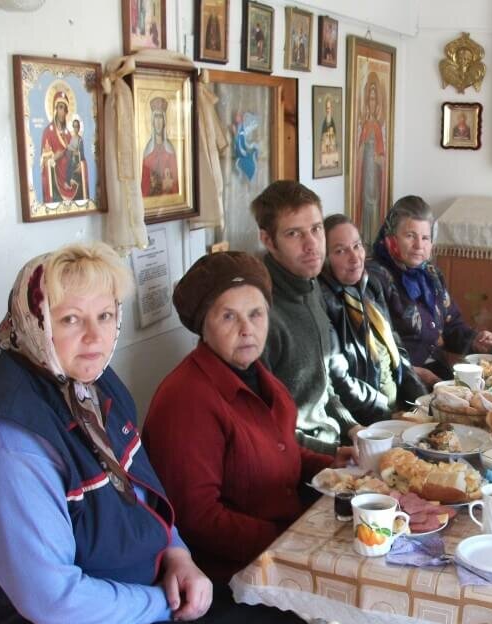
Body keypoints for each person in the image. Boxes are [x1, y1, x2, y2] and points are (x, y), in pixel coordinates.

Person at [0, 243, 357, 624]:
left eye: (106, 316)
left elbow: (142, 491)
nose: (94, 336)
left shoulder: (88, 386)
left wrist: (178, 555)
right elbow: (55, 603)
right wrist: (165, 603)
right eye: (71, 319)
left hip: (127, 605)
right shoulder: (7, 446)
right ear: (32, 322)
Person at [143, 251, 354, 583]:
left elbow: (274, 450)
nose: (247, 329)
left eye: (256, 314)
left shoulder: (256, 374)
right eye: (228, 317)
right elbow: (198, 518)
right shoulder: (186, 400)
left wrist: (329, 463)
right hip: (234, 574)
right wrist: (288, 542)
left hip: (282, 542)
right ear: (203, 325)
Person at [251, 180, 361, 455]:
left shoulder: (310, 285)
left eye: (316, 229)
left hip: (333, 443)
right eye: (294, 234)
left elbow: (323, 386)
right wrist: (330, 454)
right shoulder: (259, 314)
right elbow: (262, 427)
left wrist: (352, 427)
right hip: (297, 462)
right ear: (268, 241)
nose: (311, 244)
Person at [367, 196, 492, 386]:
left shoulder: (431, 274)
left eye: (425, 238)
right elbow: (378, 349)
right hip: (400, 379)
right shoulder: (375, 279)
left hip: (436, 372)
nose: (419, 245)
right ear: (391, 237)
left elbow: (451, 325)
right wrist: (416, 374)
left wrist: (476, 340)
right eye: (410, 236)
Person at [321, 214, 428, 424]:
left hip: (398, 411)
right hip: (367, 422)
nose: (355, 257)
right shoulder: (324, 302)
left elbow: (397, 350)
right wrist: (388, 416)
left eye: (357, 246)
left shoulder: (370, 286)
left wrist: (421, 402)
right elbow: (340, 381)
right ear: (324, 258)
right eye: (340, 251)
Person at [355, 74, 387, 242]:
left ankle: (374, 235)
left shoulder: (377, 127)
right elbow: (359, 149)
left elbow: (382, 154)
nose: (372, 102)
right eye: (370, 99)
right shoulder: (366, 126)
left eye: (375, 99)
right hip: (365, 168)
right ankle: (366, 236)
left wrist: (378, 159)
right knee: (366, 199)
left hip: (374, 169)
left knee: (374, 199)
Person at [40, 91, 88, 203]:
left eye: (65, 109)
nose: (63, 112)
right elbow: (44, 163)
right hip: (56, 183)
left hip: (70, 177)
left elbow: (76, 156)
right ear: (55, 109)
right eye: (60, 107)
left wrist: (81, 165)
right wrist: (54, 158)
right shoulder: (48, 132)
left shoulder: (68, 134)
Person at [140, 96, 179, 197]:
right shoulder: (147, 151)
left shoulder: (170, 150)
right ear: (152, 121)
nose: (158, 121)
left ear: (164, 120)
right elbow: (144, 185)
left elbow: (176, 184)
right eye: (156, 117)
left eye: (160, 117)